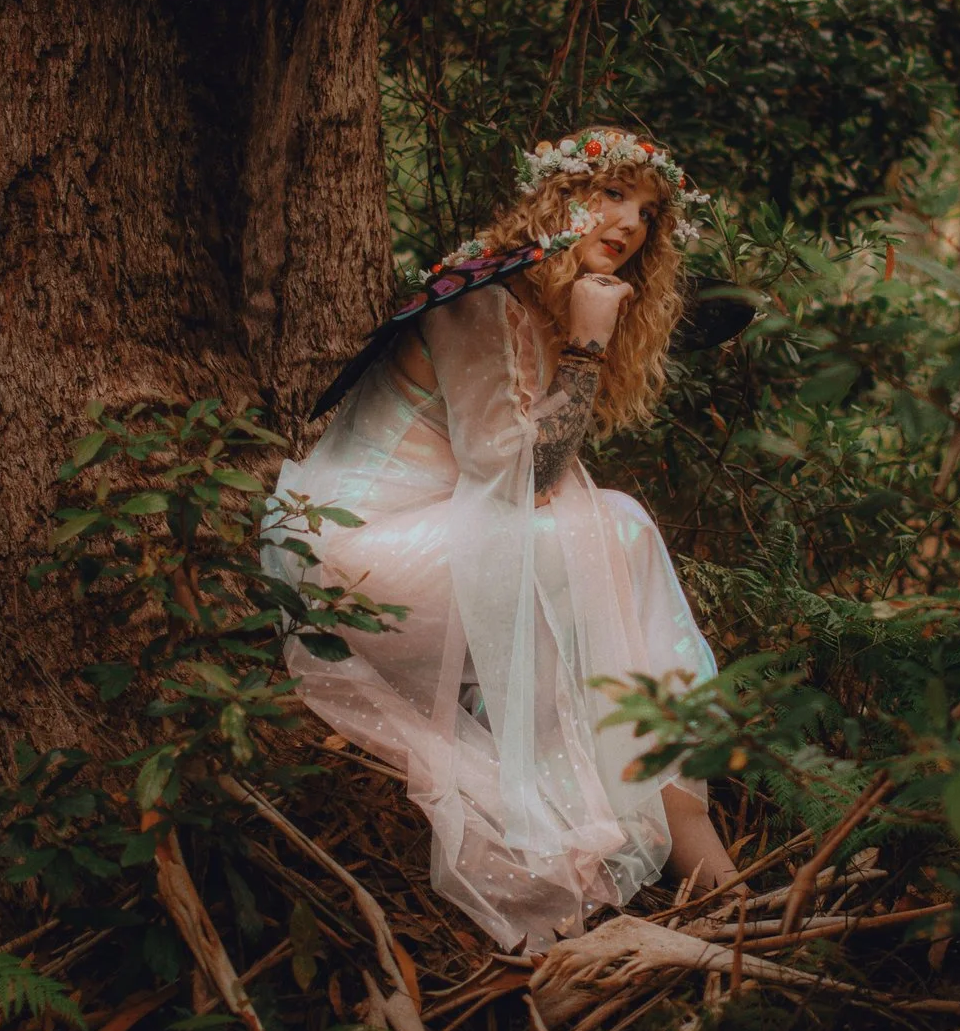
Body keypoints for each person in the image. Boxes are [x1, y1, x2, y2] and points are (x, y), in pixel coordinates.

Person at [267, 128, 732, 951]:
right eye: (610, 192)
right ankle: (676, 845)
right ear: (557, 195)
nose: (627, 222)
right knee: (606, 527)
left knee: (606, 536)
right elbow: (522, 479)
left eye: (648, 212)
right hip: (354, 550)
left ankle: (692, 843)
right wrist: (587, 343)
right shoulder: (483, 294)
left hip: (434, 536)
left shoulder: (535, 300)